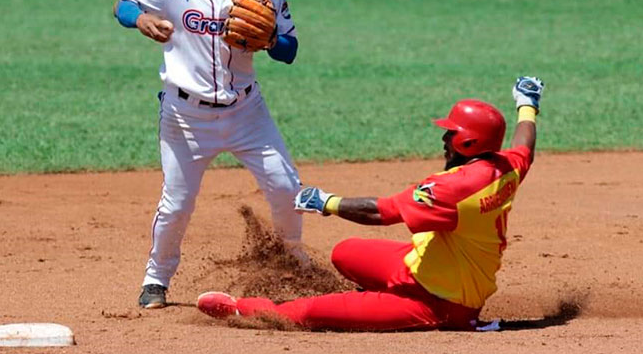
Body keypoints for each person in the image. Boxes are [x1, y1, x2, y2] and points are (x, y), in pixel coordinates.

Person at [196, 77, 545, 331]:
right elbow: (524, 144)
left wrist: (325, 202)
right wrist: (527, 102)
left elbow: (381, 212)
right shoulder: (505, 167)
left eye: (451, 133)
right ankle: (372, 298)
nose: (444, 138)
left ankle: (243, 311)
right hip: (417, 266)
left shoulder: (453, 187)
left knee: (307, 313)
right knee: (344, 253)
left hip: (440, 301)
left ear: (468, 142)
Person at [113, 0, 304, 309]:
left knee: (286, 188)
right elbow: (122, 1)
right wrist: (141, 20)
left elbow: (290, 50)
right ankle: (156, 279)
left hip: (247, 112)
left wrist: (270, 40)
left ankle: (291, 263)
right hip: (186, 118)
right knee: (177, 203)